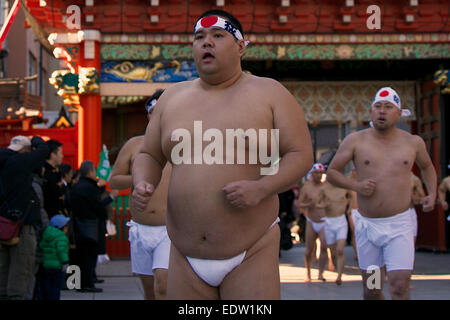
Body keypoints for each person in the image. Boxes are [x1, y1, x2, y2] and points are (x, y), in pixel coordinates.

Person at [131, 9, 313, 300]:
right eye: (199, 37)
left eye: (218, 36)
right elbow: (149, 155)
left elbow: (300, 154)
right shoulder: (171, 98)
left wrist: (261, 187)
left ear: (241, 47)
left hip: (251, 248)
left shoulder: (270, 93)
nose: (206, 42)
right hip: (183, 251)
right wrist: (142, 181)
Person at [326, 86, 437, 300]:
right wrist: (356, 186)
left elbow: (428, 167)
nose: (382, 111)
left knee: (399, 286)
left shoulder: (412, 142)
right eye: (377, 107)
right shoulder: (355, 140)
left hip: (399, 226)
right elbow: (332, 172)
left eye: (388, 107)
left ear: (398, 113)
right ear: (371, 112)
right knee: (372, 290)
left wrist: (432, 193)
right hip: (369, 229)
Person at [109, 89, 172, 300]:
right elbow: (115, 179)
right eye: (154, 110)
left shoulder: (181, 145)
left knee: (163, 284)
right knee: (150, 291)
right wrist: (140, 179)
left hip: (170, 228)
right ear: (148, 114)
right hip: (140, 227)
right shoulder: (134, 145)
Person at [0, 135, 49, 300]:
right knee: (20, 274)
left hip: (2, 224)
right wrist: (36, 140)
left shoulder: (2, 159)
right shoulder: (20, 162)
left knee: (2, 274)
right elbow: (44, 151)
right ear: (25, 150)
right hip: (21, 226)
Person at [69, 161, 114, 293]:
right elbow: (98, 206)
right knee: (89, 256)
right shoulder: (90, 187)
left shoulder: (76, 187)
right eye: (94, 171)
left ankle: (75, 283)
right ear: (90, 172)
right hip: (90, 225)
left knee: (77, 256)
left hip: (76, 224)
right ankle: (88, 284)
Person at [316, 175, 353, 285]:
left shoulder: (343, 187)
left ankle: (339, 276)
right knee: (332, 252)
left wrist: (349, 208)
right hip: (329, 221)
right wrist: (324, 205)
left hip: (341, 220)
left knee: (340, 249)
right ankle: (337, 268)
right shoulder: (324, 189)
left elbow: (352, 196)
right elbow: (317, 203)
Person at [297, 163, 328, 282]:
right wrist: (308, 205)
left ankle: (320, 273)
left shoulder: (326, 187)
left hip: (324, 220)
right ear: (312, 174)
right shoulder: (307, 187)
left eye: (321, 173)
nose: (319, 175)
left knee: (324, 247)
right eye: (317, 173)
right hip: (311, 220)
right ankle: (308, 272)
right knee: (309, 250)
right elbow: (300, 203)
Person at [37, 214, 70, 300]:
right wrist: (65, 261)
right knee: (56, 287)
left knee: (46, 286)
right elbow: (61, 250)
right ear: (62, 227)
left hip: (45, 265)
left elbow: (41, 246)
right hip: (57, 266)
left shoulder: (46, 234)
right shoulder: (61, 236)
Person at [42, 140, 65, 219]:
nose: (62, 156)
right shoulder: (44, 173)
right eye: (60, 153)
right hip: (50, 217)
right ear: (53, 155)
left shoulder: (57, 172)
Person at [410, 172, 425, 244]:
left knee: (410, 245)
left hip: (408, 213)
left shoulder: (414, 179)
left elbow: (421, 198)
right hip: (388, 214)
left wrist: (416, 197)